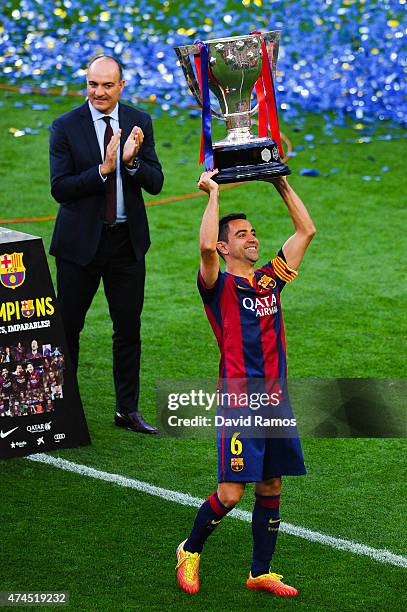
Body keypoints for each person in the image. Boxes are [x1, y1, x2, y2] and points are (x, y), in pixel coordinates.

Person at [176, 170, 316, 597]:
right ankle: (189, 549)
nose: (252, 238)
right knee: (232, 492)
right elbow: (203, 245)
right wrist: (214, 193)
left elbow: (306, 230)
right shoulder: (217, 285)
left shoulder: (269, 280)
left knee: (271, 484)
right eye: (241, 234)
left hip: (276, 402)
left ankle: (260, 571)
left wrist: (279, 182)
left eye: (253, 232)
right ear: (224, 246)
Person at [49, 55, 164, 434]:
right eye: (92, 84)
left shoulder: (138, 122)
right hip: (79, 247)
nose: (98, 92)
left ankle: (126, 410)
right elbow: (60, 188)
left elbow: (156, 181)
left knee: (128, 329)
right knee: (68, 329)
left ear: (121, 86)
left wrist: (131, 164)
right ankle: (61, 411)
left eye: (107, 85)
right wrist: (104, 169)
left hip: (125, 245)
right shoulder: (65, 126)